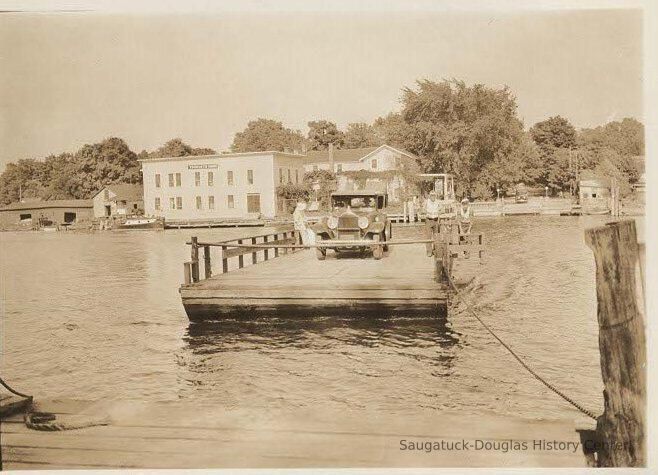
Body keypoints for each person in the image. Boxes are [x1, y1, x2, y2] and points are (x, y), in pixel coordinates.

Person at [424, 191, 441, 256]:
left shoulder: (437, 202)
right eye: (431, 195)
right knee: (428, 236)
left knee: (436, 236)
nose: (433, 197)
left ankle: (435, 250)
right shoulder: (427, 202)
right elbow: (422, 209)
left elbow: (442, 209)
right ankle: (429, 251)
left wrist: (439, 211)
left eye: (434, 195)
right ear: (429, 196)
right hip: (429, 220)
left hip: (436, 220)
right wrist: (427, 212)